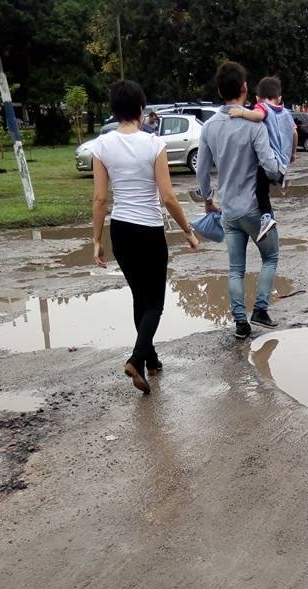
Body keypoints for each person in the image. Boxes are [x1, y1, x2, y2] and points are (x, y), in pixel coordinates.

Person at [91, 79, 199, 395]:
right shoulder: (154, 145)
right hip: (149, 231)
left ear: (114, 110)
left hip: (121, 231)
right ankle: (137, 359)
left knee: (141, 296)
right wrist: (189, 232)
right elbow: (167, 196)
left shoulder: (102, 146)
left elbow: (100, 200)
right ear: (141, 109)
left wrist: (96, 239)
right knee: (155, 303)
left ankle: (151, 359)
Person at [196, 61, 284, 340]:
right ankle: (259, 309)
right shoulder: (253, 124)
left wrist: (208, 198)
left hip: (228, 210)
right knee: (271, 256)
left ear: (220, 90)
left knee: (236, 268)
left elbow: (201, 170)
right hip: (254, 209)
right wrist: (280, 173)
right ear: (245, 88)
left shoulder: (209, 127)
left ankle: (240, 323)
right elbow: (269, 166)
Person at [228, 75, 298, 241]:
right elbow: (294, 133)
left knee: (259, 189)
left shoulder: (262, 107)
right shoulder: (286, 113)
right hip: (282, 164)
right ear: (279, 98)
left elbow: (258, 116)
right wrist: (293, 154)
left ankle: (266, 217)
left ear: (258, 98)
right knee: (264, 185)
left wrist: (241, 112)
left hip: (270, 162)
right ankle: (277, 191)